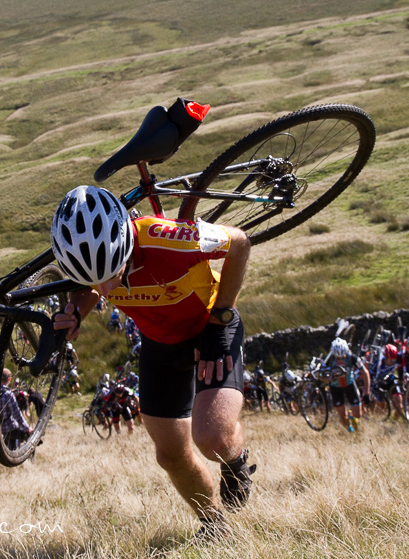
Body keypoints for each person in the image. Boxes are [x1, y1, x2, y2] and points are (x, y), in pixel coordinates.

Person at [50, 185, 254, 539]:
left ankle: (235, 461)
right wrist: (77, 312)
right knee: (170, 455)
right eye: (95, 279)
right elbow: (88, 288)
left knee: (213, 439)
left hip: (210, 328)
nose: (107, 288)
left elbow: (239, 243)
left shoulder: (170, 239)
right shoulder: (85, 258)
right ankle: (215, 526)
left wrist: (220, 317)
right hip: (160, 344)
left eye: (113, 271)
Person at [326, 338, 371, 432]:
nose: (340, 360)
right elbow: (320, 375)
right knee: (342, 416)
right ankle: (350, 430)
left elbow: (365, 373)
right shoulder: (329, 359)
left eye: (343, 357)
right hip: (335, 388)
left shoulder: (352, 357)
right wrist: (329, 378)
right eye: (338, 358)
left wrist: (366, 393)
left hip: (349, 385)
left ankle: (352, 415)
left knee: (358, 414)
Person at [0, 368, 32, 450]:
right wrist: (28, 428)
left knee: (10, 448)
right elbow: (17, 414)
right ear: (9, 379)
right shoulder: (8, 394)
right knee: (31, 438)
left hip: (0, 429)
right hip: (12, 427)